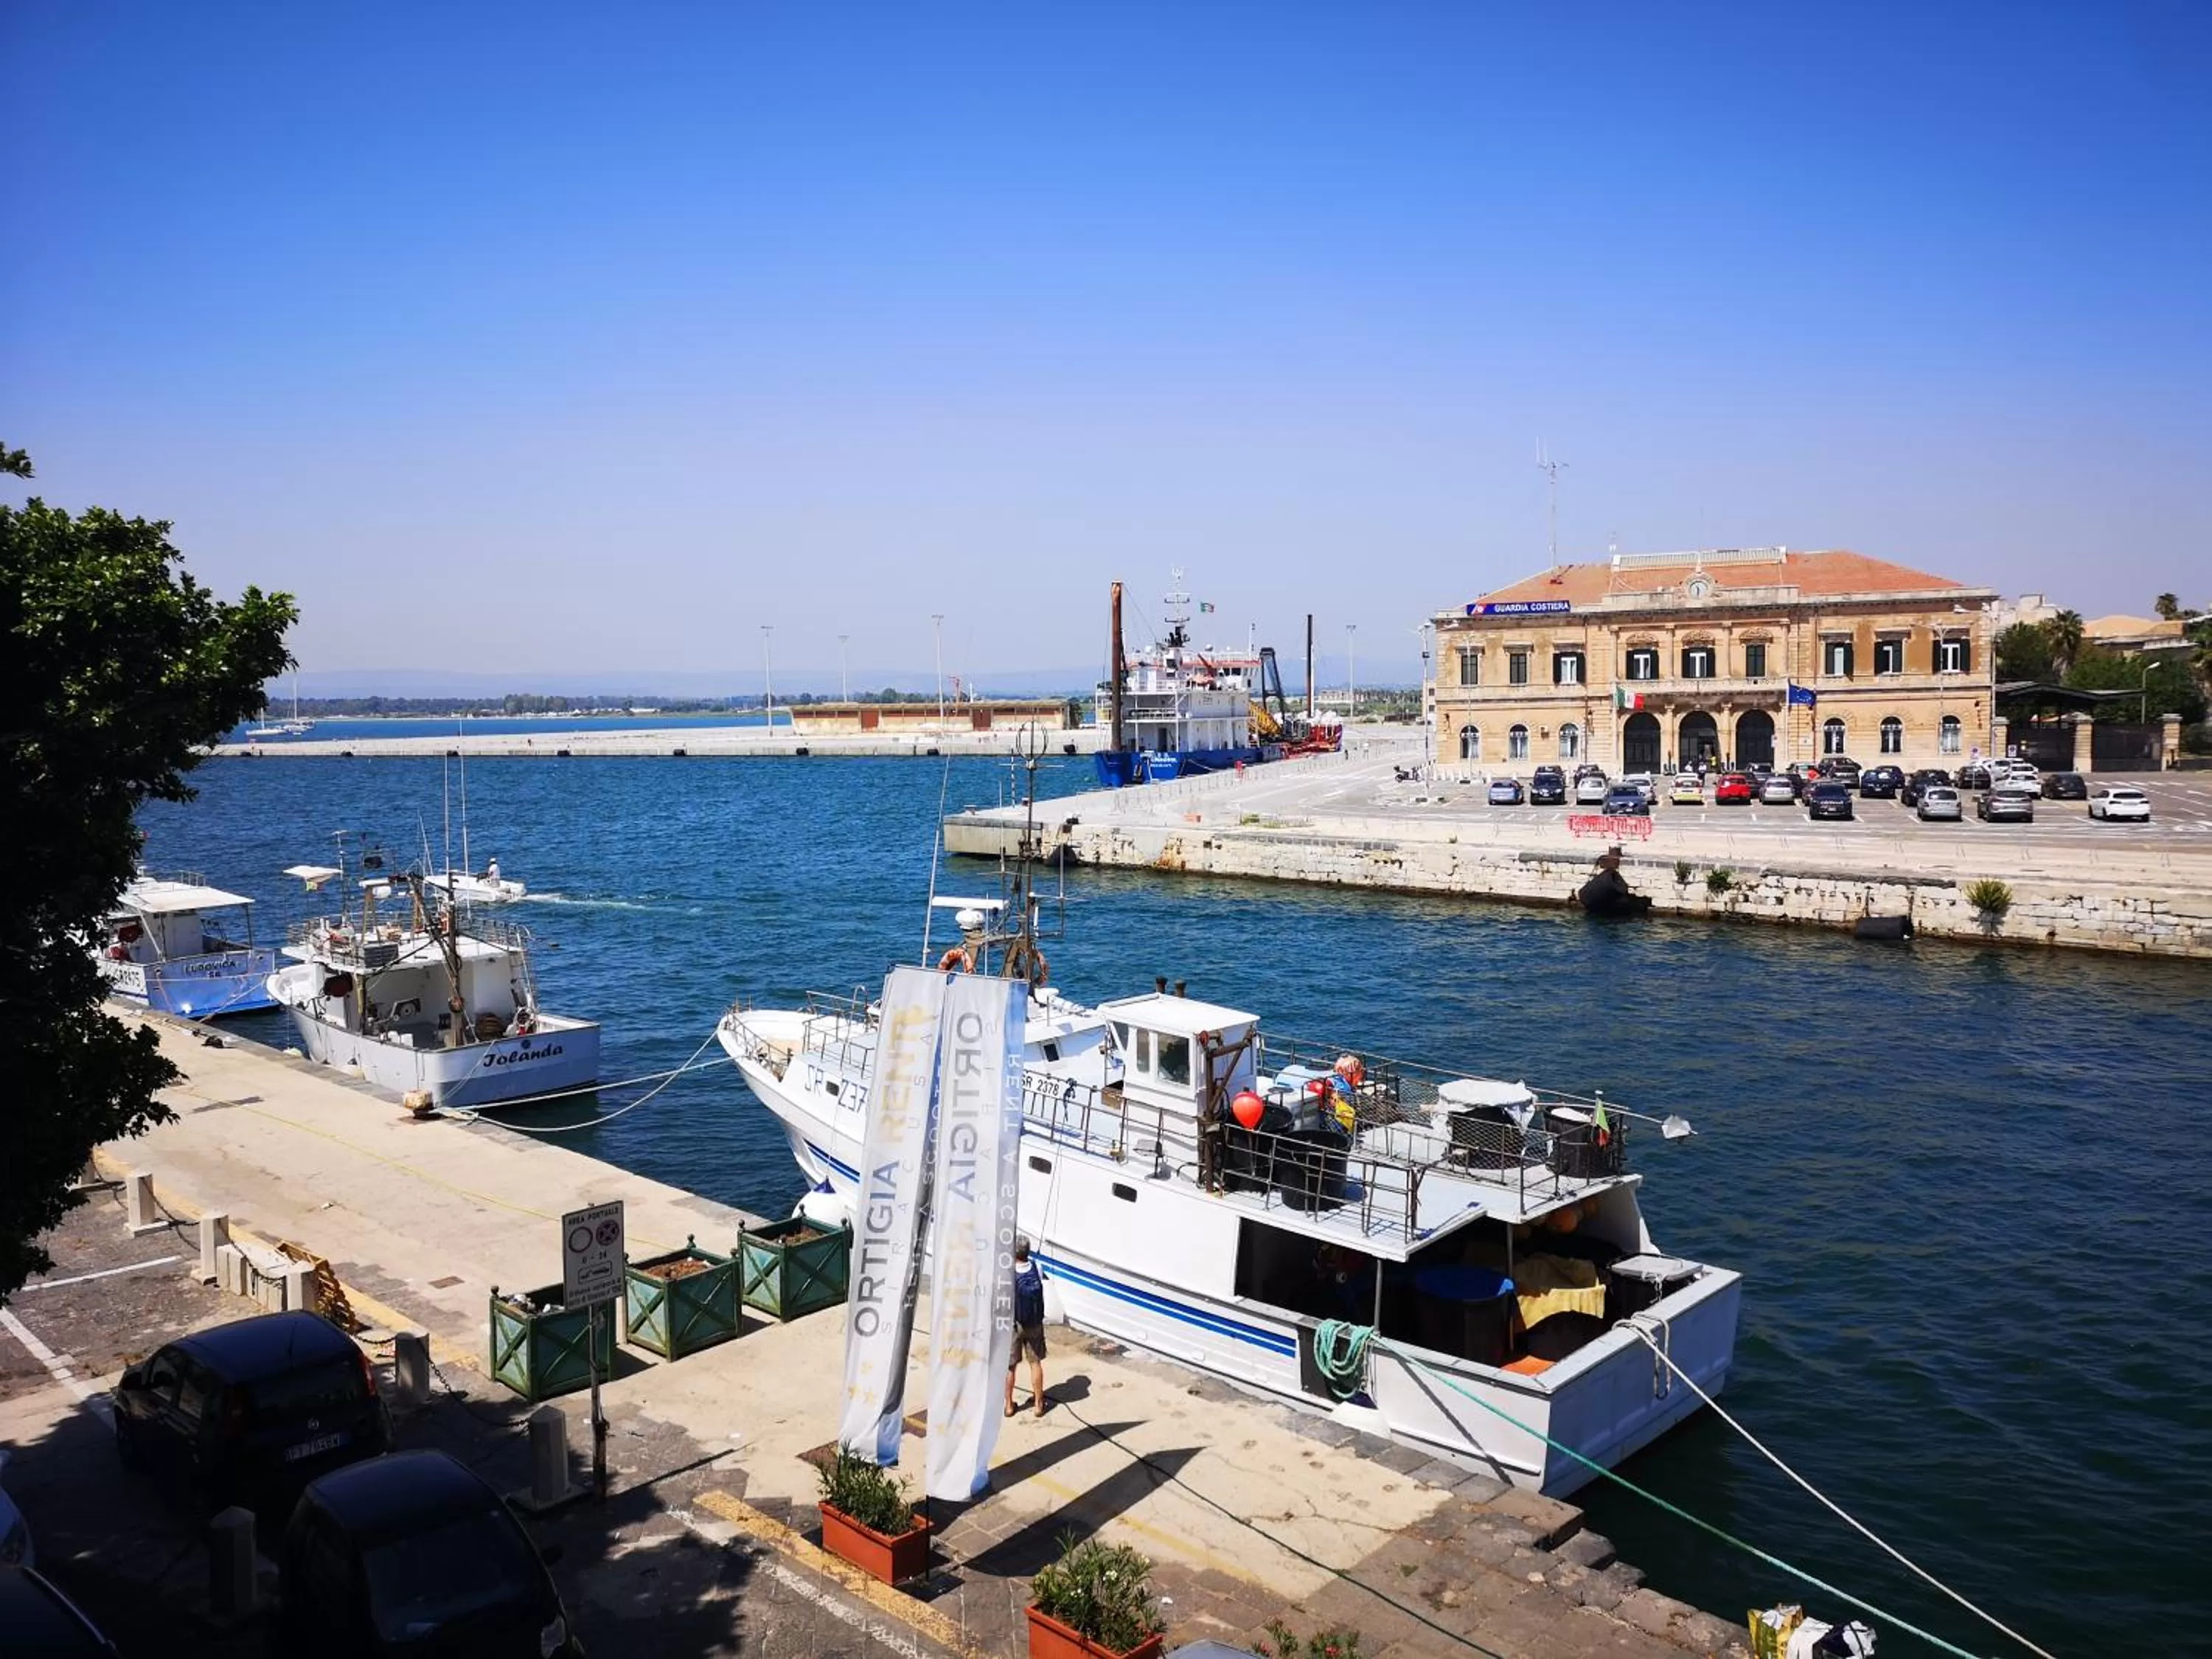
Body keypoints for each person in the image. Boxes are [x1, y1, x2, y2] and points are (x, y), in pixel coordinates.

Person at [1005, 1237, 1047, 1419]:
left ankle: (1009, 1405)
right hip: (1034, 1323)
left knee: (1010, 1367)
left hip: (1014, 1324)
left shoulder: (1007, 1271)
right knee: (1035, 1363)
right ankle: (1038, 1404)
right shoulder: (1038, 1267)